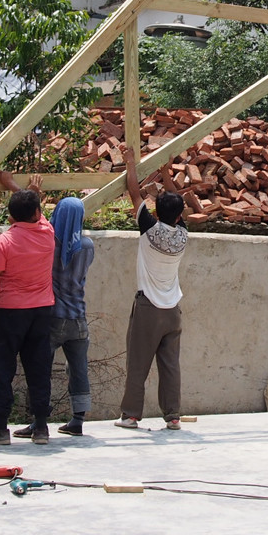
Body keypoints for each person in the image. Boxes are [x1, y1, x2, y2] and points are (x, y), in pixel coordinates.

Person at [115, 143, 189, 431]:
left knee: (138, 363)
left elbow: (134, 192)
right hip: (172, 310)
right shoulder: (182, 235)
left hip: (148, 308)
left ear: (156, 211)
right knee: (170, 366)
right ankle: (173, 416)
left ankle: (131, 415)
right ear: (179, 217)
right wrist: (167, 174)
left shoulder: (149, 229)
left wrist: (130, 161)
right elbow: (176, 204)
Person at [0, 171, 57, 446]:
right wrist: (20, 187)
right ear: (37, 212)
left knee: (2, 368)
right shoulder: (47, 233)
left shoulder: (6, 240)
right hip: (42, 310)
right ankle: (41, 427)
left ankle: (1, 428)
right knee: (39, 368)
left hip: (11, 311)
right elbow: (34, 211)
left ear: (11, 218)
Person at [13, 196, 96, 438]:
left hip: (52, 318)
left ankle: (38, 421)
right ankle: (77, 420)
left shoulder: (48, 243)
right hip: (79, 318)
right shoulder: (88, 246)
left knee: (40, 370)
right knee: (79, 370)